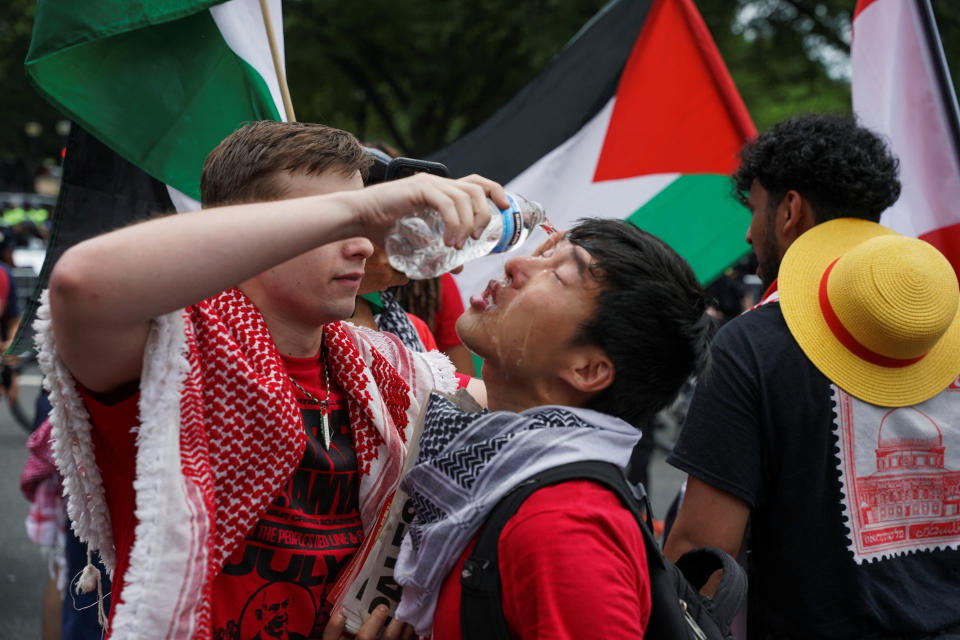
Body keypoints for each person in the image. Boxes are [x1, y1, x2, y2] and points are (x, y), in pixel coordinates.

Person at [39, 120, 504, 639]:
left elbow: (514, 409)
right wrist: (360, 210)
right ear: (247, 236)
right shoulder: (170, 359)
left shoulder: (385, 369)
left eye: (361, 222)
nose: (364, 246)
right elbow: (80, 283)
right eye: (331, 225)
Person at [664, 113, 960, 638]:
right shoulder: (945, 329)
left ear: (790, 211)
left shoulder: (753, 344)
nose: (748, 232)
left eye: (754, 209)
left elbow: (701, 559)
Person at [354, 219, 713, 639]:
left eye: (558, 276)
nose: (516, 265)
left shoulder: (565, 527)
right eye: (543, 253)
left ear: (588, 369)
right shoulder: (506, 473)